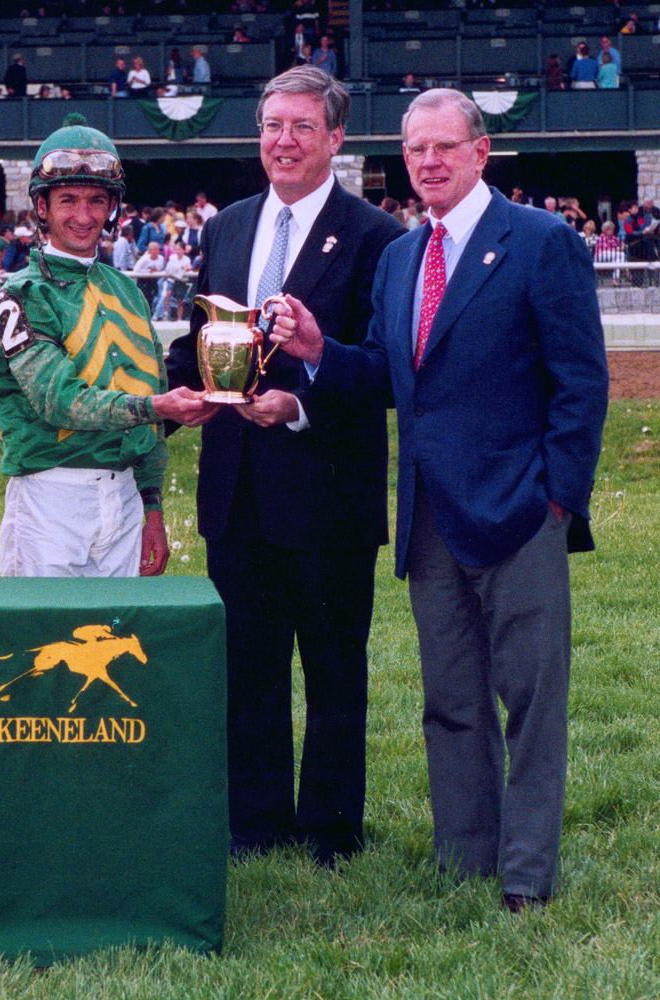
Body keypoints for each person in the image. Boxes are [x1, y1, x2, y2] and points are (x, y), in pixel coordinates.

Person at [270, 88, 609, 907]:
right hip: (427, 519)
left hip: (521, 513)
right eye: (415, 151)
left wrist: (557, 499)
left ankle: (526, 874)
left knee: (529, 702)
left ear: (479, 153)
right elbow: (387, 376)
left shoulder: (539, 242)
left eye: (444, 148)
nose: (427, 163)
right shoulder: (398, 258)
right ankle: (464, 857)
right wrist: (320, 350)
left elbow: (581, 384)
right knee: (450, 701)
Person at [165, 65, 404, 866]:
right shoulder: (226, 226)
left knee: (334, 672)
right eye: (271, 125)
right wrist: (164, 399)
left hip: (326, 491)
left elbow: (383, 371)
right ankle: (254, 821)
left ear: (335, 139)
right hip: (234, 491)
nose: (283, 141)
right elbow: (200, 343)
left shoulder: (377, 237)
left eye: (302, 127)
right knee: (247, 670)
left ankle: (332, 828)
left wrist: (300, 396)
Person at [0, 113, 214, 579]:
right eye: (68, 199)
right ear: (41, 208)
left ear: (112, 209)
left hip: (124, 498)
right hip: (50, 500)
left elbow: (151, 394)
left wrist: (151, 506)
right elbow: (59, 401)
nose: (83, 216)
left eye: (96, 201)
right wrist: (158, 407)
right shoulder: (19, 296)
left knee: (116, 647)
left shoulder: (128, 292)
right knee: (45, 645)